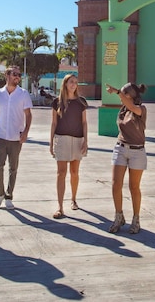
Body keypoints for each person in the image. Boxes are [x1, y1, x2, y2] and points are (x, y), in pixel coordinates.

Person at [0, 65, 33, 210]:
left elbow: (28, 114)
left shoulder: (23, 94)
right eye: (14, 74)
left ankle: (9, 195)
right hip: (0, 135)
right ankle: (0, 194)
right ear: (7, 76)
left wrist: (25, 132)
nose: (17, 77)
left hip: (16, 137)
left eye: (19, 74)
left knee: (13, 168)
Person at [105, 81, 147, 234]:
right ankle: (118, 216)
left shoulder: (141, 109)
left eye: (124, 94)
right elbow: (127, 106)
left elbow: (132, 107)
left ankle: (136, 219)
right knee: (116, 184)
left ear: (131, 96)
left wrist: (117, 92)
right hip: (121, 148)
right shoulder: (123, 110)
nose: (121, 97)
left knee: (134, 187)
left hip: (137, 152)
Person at [49, 74, 88, 219]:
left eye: (76, 82)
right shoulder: (57, 102)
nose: (74, 85)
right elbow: (53, 123)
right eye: (71, 82)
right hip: (61, 139)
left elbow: (84, 123)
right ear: (65, 84)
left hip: (77, 140)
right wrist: (51, 142)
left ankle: (73, 199)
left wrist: (86, 140)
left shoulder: (81, 102)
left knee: (74, 172)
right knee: (61, 173)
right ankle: (60, 207)